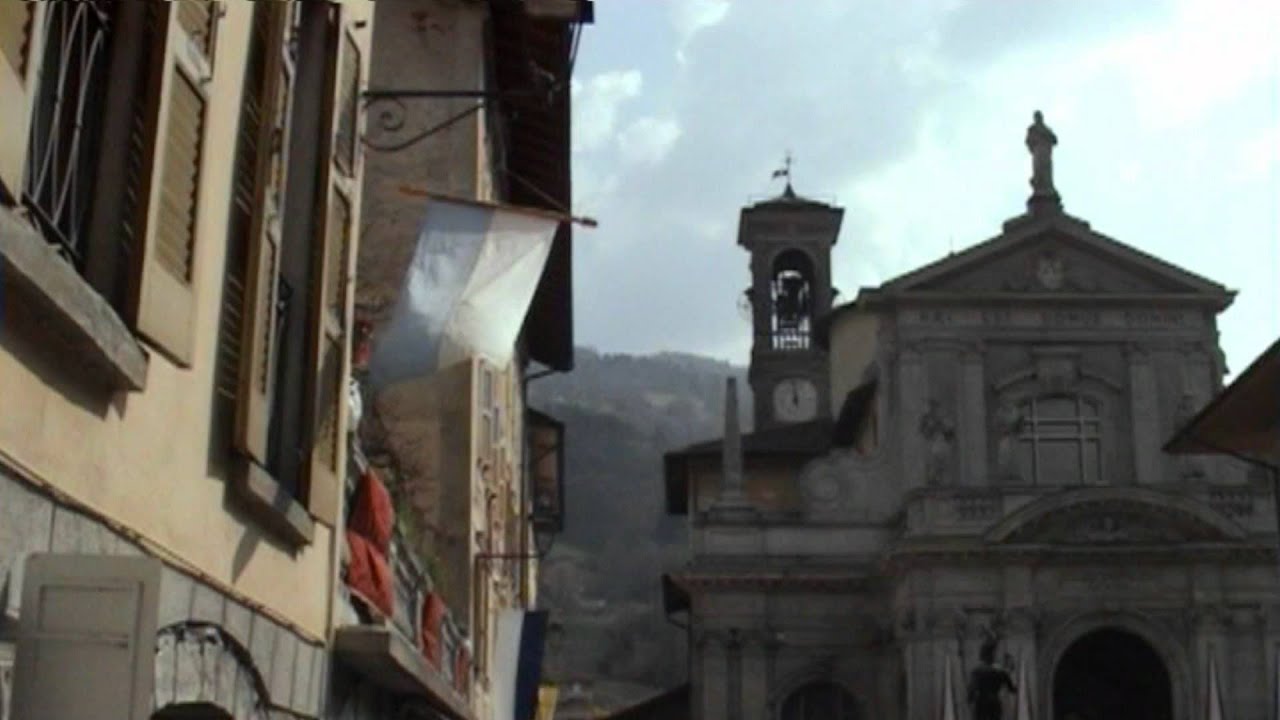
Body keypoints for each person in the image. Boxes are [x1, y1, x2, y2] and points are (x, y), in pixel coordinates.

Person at [967, 640, 1017, 720]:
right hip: (995, 702)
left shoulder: (977, 671)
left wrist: (969, 700)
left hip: (981, 704)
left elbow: (972, 689)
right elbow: (1012, 689)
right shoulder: (1001, 671)